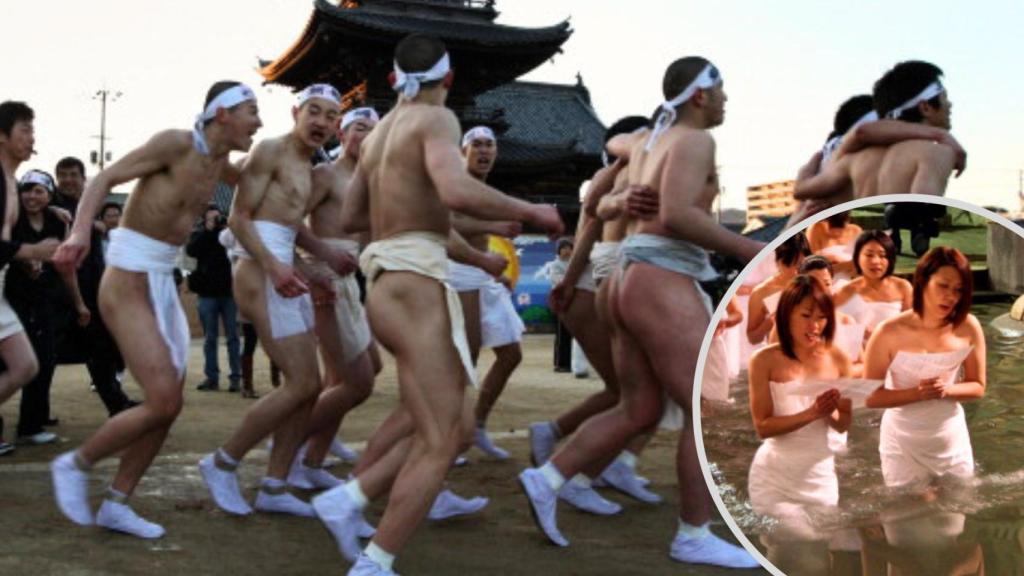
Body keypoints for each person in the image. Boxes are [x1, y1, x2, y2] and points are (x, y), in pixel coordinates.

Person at [309, 34, 562, 576]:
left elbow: (354, 215)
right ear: (447, 81)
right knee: (444, 436)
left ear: (397, 80)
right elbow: (455, 189)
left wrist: (411, 209)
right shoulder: (436, 120)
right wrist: (533, 211)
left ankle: (348, 500)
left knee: (454, 421)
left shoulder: (375, 139)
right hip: (415, 282)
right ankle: (374, 562)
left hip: (388, 283)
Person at [519, 56, 762, 567]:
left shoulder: (649, 141)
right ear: (700, 95)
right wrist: (747, 250)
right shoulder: (695, 140)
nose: (726, 101)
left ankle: (549, 478)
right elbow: (675, 216)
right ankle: (693, 533)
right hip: (659, 275)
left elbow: (617, 143)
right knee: (708, 410)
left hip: (625, 278)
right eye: (721, 91)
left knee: (640, 407)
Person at [50, 81, 263, 538]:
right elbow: (106, 178)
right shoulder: (176, 143)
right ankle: (76, 463)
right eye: (252, 110)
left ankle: (117, 503)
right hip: (127, 274)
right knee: (164, 398)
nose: (259, 121)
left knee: (168, 406)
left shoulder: (220, 162)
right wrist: (80, 233)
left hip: (162, 278)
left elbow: (253, 181)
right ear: (222, 114)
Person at [199, 83, 356, 518]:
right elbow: (240, 217)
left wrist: (314, 265)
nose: (322, 122)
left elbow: (288, 225)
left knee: (309, 387)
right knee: (303, 382)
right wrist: (275, 267)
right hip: (258, 267)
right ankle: (222, 462)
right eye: (315, 112)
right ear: (296, 112)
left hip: (283, 268)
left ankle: (275, 484)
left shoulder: (309, 166)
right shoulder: (270, 149)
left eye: (331, 115)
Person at [288, 105, 383, 488]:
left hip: (350, 279)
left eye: (375, 131)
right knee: (356, 381)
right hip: (324, 277)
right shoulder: (325, 174)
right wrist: (322, 255)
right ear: (342, 135)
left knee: (356, 373)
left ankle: (310, 457)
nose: (367, 137)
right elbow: (287, 219)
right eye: (359, 128)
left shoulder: (373, 183)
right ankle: (290, 449)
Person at [747, 275, 852, 570]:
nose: (814, 325)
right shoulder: (764, 360)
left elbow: (843, 424)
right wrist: (812, 413)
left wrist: (830, 411)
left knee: (818, 559)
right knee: (797, 552)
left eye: (821, 317)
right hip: (776, 479)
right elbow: (762, 426)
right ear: (786, 314)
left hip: (821, 480)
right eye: (806, 315)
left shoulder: (839, 360)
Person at [864, 247, 985, 488]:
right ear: (923, 281)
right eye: (943, 285)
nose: (951, 296)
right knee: (905, 517)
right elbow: (870, 397)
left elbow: (978, 386)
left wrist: (946, 391)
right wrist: (917, 394)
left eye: (959, 290)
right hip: (903, 436)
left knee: (952, 522)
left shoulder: (968, 326)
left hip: (949, 432)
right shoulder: (888, 332)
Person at [458, 125, 527, 460]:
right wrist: (492, 228)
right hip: (457, 274)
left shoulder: (486, 189)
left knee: (511, 354)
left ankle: (477, 425)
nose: (484, 151)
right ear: (463, 151)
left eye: (490, 145)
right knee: (463, 361)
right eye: (477, 145)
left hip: (483, 277)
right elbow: (446, 226)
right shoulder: (456, 184)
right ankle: (451, 437)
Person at [8, 170, 89, 445]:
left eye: (39, 191)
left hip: (45, 300)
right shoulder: (12, 218)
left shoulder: (57, 222)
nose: (31, 196)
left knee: (44, 360)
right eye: (27, 190)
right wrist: (25, 260)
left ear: (49, 194)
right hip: (11, 299)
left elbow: (65, 267)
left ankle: (30, 425)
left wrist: (79, 304)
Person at [52, 156, 134, 417]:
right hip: (59, 294)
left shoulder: (86, 207)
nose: (67, 180)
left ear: (82, 177)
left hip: (92, 291)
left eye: (73, 174)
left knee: (101, 350)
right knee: (44, 356)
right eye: (62, 175)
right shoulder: (53, 207)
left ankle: (116, 401)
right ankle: (33, 419)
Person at [0, 101, 54, 455]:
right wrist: (33, 253)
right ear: (2, 136)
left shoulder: (11, 181)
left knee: (25, 366)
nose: (31, 138)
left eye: (32, 130)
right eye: (25, 130)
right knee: (24, 365)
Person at [186, 204, 241, 392]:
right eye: (212, 218)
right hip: (207, 294)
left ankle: (236, 378)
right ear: (204, 220)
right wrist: (208, 231)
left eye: (219, 217)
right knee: (210, 338)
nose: (217, 221)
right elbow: (191, 251)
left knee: (233, 337)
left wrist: (227, 228)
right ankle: (212, 378)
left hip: (230, 293)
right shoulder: (199, 235)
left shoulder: (230, 234)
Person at [835, 229, 912, 337]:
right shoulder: (846, 290)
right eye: (869, 255)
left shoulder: (903, 287)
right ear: (857, 257)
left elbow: (912, 327)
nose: (875, 261)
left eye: (882, 256)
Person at [746, 232, 811, 345]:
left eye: (800, 264)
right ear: (778, 261)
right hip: (778, 353)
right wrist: (770, 322)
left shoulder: (813, 282)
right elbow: (753, 338)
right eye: (789, 264)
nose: (795, 271)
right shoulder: (762, 292)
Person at [536, 238, 573, 372]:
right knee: (562, 333)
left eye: (569, 248)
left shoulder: (575, 264)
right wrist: (572, 284)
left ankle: (573, 363)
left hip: (574, 302)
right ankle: (561, 363)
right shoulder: (555, 265)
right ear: (558, 251)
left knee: (574, 333)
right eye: (563, 248)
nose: (566, 250)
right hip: (561, 302)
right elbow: (558, 281)